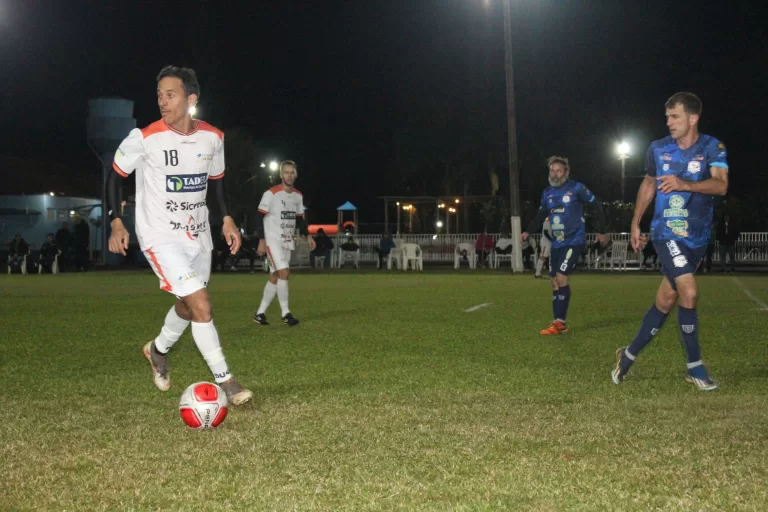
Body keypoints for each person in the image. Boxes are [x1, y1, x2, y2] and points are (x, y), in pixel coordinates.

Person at [107, 65, 252, 406]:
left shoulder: (213, 138)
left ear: (191, 99)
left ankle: (157, 350)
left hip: (199, 236)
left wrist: (227, 220)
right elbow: (114, 177)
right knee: (201, 304)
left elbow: (216, 185)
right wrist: (116, 221)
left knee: (187, 308)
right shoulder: (144, 138)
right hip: (160, 236)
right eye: (159, 95)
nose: (162, 102)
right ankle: (226, 381)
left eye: (169, 95)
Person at [612, 92, 728, 391]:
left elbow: (720, 185)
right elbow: (649, 183)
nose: (668, 122)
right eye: (667, 117)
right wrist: (636, 222)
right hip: (666, 232)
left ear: (693, 118)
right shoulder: (658, 149)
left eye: (674, 116)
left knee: (666, 300)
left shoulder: (712, 147)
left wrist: (685, 184)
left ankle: (627, 355)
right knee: (688, 292)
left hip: (697, 237)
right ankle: (695, 367)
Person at [521, 156, 608, 335]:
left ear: (566, 173)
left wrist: (601, 230)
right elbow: (541, 215)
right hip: (557, 243)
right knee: (554, 282)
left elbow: (596, 206)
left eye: (559, 170)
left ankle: (559, 323)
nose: (555, 174)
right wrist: (528, 231)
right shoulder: (547, 193)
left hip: (574, 241)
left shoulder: (577, 188)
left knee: (561, 276)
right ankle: (558, 322)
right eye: (552, 170)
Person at [253, 160, 315, 326]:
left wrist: (308, 236)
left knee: (275, 275)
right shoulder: (271, 194)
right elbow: (259, 216)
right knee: (284, 272)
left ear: (296, 175)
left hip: (287, 240)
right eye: (286, 172)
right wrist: (261, 240)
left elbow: (301, 218)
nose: (289, 175)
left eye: (292, 172)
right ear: (281, 175)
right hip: (273, 240)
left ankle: (260, 313)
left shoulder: (297, 196)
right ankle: (286, 313)